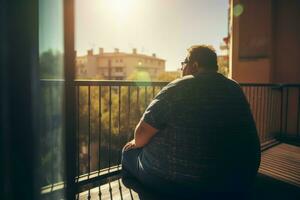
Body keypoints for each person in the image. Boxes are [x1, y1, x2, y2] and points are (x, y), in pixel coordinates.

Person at [121, 45, 261, 196]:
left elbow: (140, 135)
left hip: (185, 186)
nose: (182, 69)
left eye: (183, 64)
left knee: (128, 153)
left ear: (194, 65)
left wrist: (136, 143)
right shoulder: (234, 87)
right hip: (241, 179)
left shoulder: (179, 87)